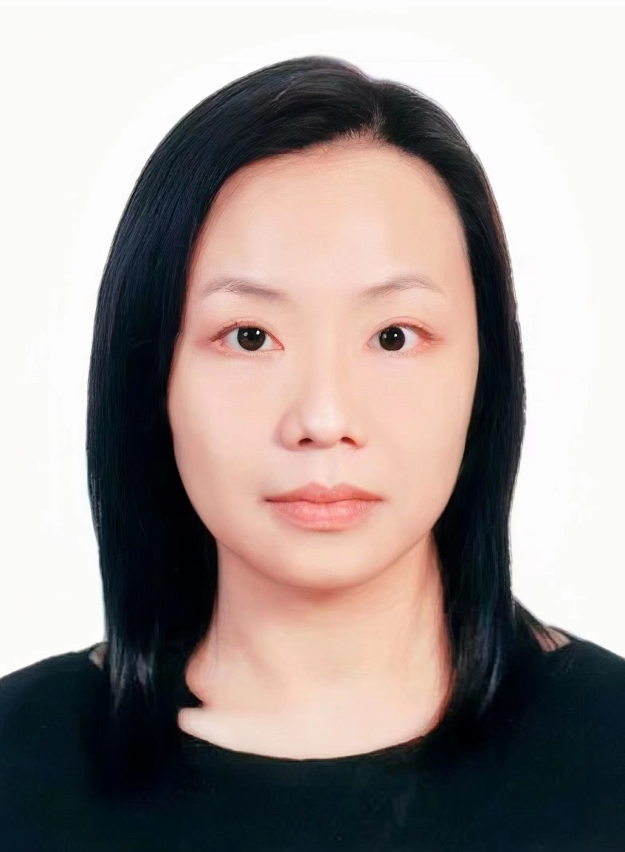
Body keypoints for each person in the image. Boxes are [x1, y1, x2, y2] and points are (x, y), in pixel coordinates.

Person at [0, 55, 623, 852]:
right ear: (148, 374)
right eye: (249, 337)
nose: (323, 419)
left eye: (392, 337)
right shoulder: (20, 765)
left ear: (485, 371)